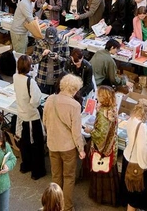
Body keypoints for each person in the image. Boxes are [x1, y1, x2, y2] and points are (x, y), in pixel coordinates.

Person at [43, 74, 86, 211]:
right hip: (68, 147)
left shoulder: (50, 99)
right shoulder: (75, 106)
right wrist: (81, 149)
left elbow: (45, 121)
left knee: (56, 176)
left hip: (52, 144)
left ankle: (54, 205)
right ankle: (66, 206)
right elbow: (76, 132)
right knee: (69, 177)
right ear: (74, 89)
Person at [83, 86, 120, 206]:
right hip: (111, 146)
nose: (97, 97)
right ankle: (111, 197)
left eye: (99, 95)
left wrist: (90, 131)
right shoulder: (113, 109)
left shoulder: (102, 113)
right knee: (110, 171)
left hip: (102, 150)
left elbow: (101, 135)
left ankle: (100, 197)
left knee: (100, 170)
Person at [13, 55, 46, 179]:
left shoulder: (15, 77)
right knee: (36, 145)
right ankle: (37, 171)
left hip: (21, 114)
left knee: (24, 143)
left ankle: (26, 165)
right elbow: (36, 100)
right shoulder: (30, 81)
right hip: (32, 116)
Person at [120, 102, 147, 211]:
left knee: (129, 190)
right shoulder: (141, 126)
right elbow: (142, 148)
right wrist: (146, 163)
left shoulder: (130, 120)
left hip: (127, 157)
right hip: (136, 162)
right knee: (135, 195)